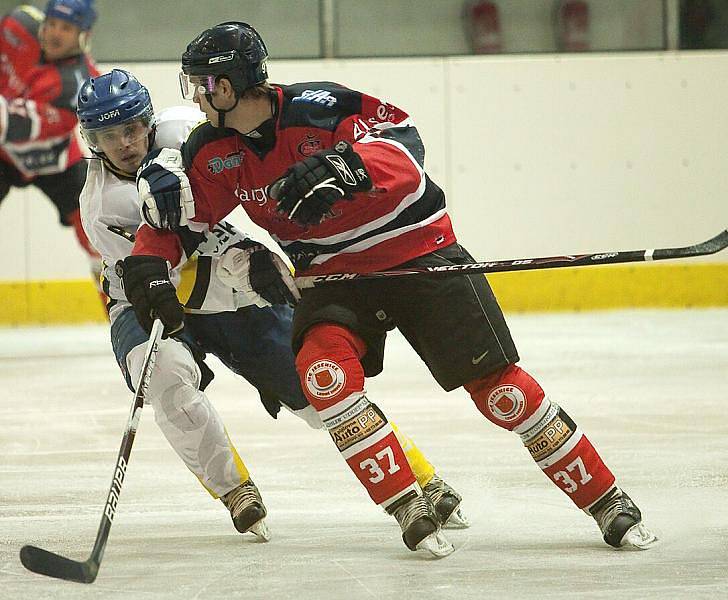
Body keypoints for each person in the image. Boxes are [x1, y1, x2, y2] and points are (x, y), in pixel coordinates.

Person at [121, 22, 658, 557]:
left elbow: (406, 148)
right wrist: (147, 265)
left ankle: (605, 498)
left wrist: (348, 166)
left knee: (501, 393)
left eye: (206, 84)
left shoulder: (321, 106)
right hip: (336, 278)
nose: (197, 95)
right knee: (324, 375)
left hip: (418, 255)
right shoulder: (212, 151)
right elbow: (178, 224)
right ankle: (408, 504)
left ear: (236, 82)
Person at [77, 68, 469, 544]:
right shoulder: (100, 207)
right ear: (90, 141)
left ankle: (421, 477)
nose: (123, 143)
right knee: (167, 380)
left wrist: (257, 259)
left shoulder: (187, 131)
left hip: (233, 294)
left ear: (148, 119)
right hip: (147, 301)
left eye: (131, 128)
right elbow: (172, 276)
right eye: (106, 135)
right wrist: (245, 264)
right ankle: (234, 489)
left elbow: (245, 164)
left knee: (314, 381)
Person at [0, 1, 103, 302]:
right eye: (53, 23)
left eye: (67, 28)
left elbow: (16, 123)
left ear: (83, 35)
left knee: (99, 231)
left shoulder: (80, 84)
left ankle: (127, 324)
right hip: (4, 156)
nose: (55, 33)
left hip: (54, 160)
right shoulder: (16, 26)